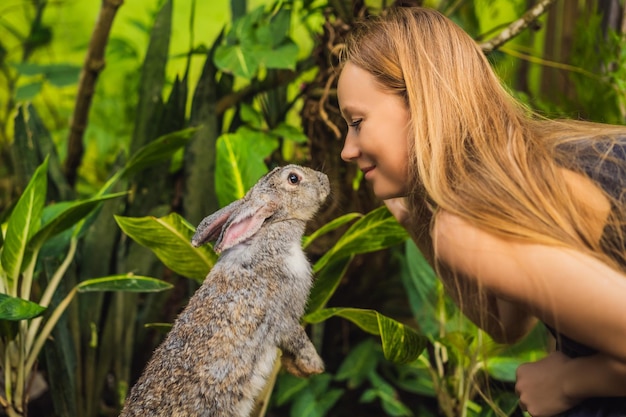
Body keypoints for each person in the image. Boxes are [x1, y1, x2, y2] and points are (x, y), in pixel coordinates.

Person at [335, 6, 626, 417]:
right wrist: (416, 218)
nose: (347, 150)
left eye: (357, 121)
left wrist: (567, 383)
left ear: (420, 103)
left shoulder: (467, 224)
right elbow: (506, 322)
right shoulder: (524, 164)